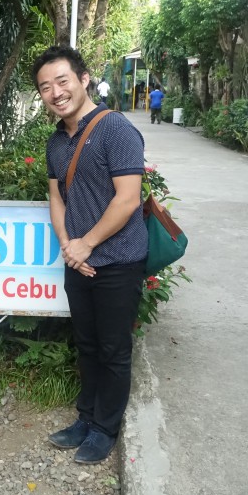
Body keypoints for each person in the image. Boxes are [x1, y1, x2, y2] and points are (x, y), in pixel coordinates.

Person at [34, 45, 148, 465]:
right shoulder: (55, 142)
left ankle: (105, 429)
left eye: (62, 81)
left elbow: (128, 200)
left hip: (118, 260)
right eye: (46, 87)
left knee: (114, 348)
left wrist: (88, 243)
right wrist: (70, 246)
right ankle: (86, 418)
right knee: (86, 344)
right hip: (78, 261)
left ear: (83, 79)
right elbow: (56, 199)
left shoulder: (115, 129)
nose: (55, 92)